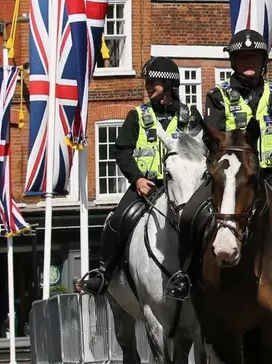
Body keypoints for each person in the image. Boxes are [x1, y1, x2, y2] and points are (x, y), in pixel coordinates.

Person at [165, 29, 272, 306]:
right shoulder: (217, 97)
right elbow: (211, 137)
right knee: (189, 218)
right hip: (231, 178)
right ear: (233, 62)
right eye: (243, 57)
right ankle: (184, 276)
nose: (249, 61)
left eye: (254, 57)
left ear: (263, 61)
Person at [79, 57, 204, 296]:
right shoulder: (137, 115)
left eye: (153, 82)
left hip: (185, 187)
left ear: (168, 84)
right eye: (147, 81)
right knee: (118, 220)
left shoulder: (191, 116)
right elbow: (122, 150)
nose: (148, 86)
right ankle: (103, 272)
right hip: (148, 186)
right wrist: (136, 178)